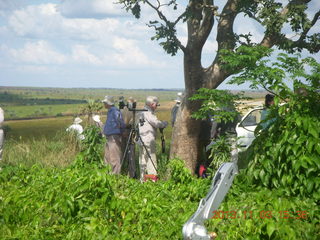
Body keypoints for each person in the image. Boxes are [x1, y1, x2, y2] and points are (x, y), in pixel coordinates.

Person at [138, 96, 168, 181]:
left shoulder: (141, 112)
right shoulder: (148, 113)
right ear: (152, 104)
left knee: (142, 161)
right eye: (156, 105)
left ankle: (142, 179)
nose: (156, 107)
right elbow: (156, 123)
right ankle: (153, 180)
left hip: (140, 140)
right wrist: (164, 123)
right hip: (148, 140)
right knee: (151, 160)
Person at [102, 95, 125, 174]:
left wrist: (121, 131)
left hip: (114, 137)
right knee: (107, 157)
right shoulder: (110, 111)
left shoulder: (115, 111)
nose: (104, 104)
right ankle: (109, 174)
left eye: (105, 102)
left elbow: (120, 122)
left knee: (114, 158)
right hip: (109, 137)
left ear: (108, 103)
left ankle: (115, 176)